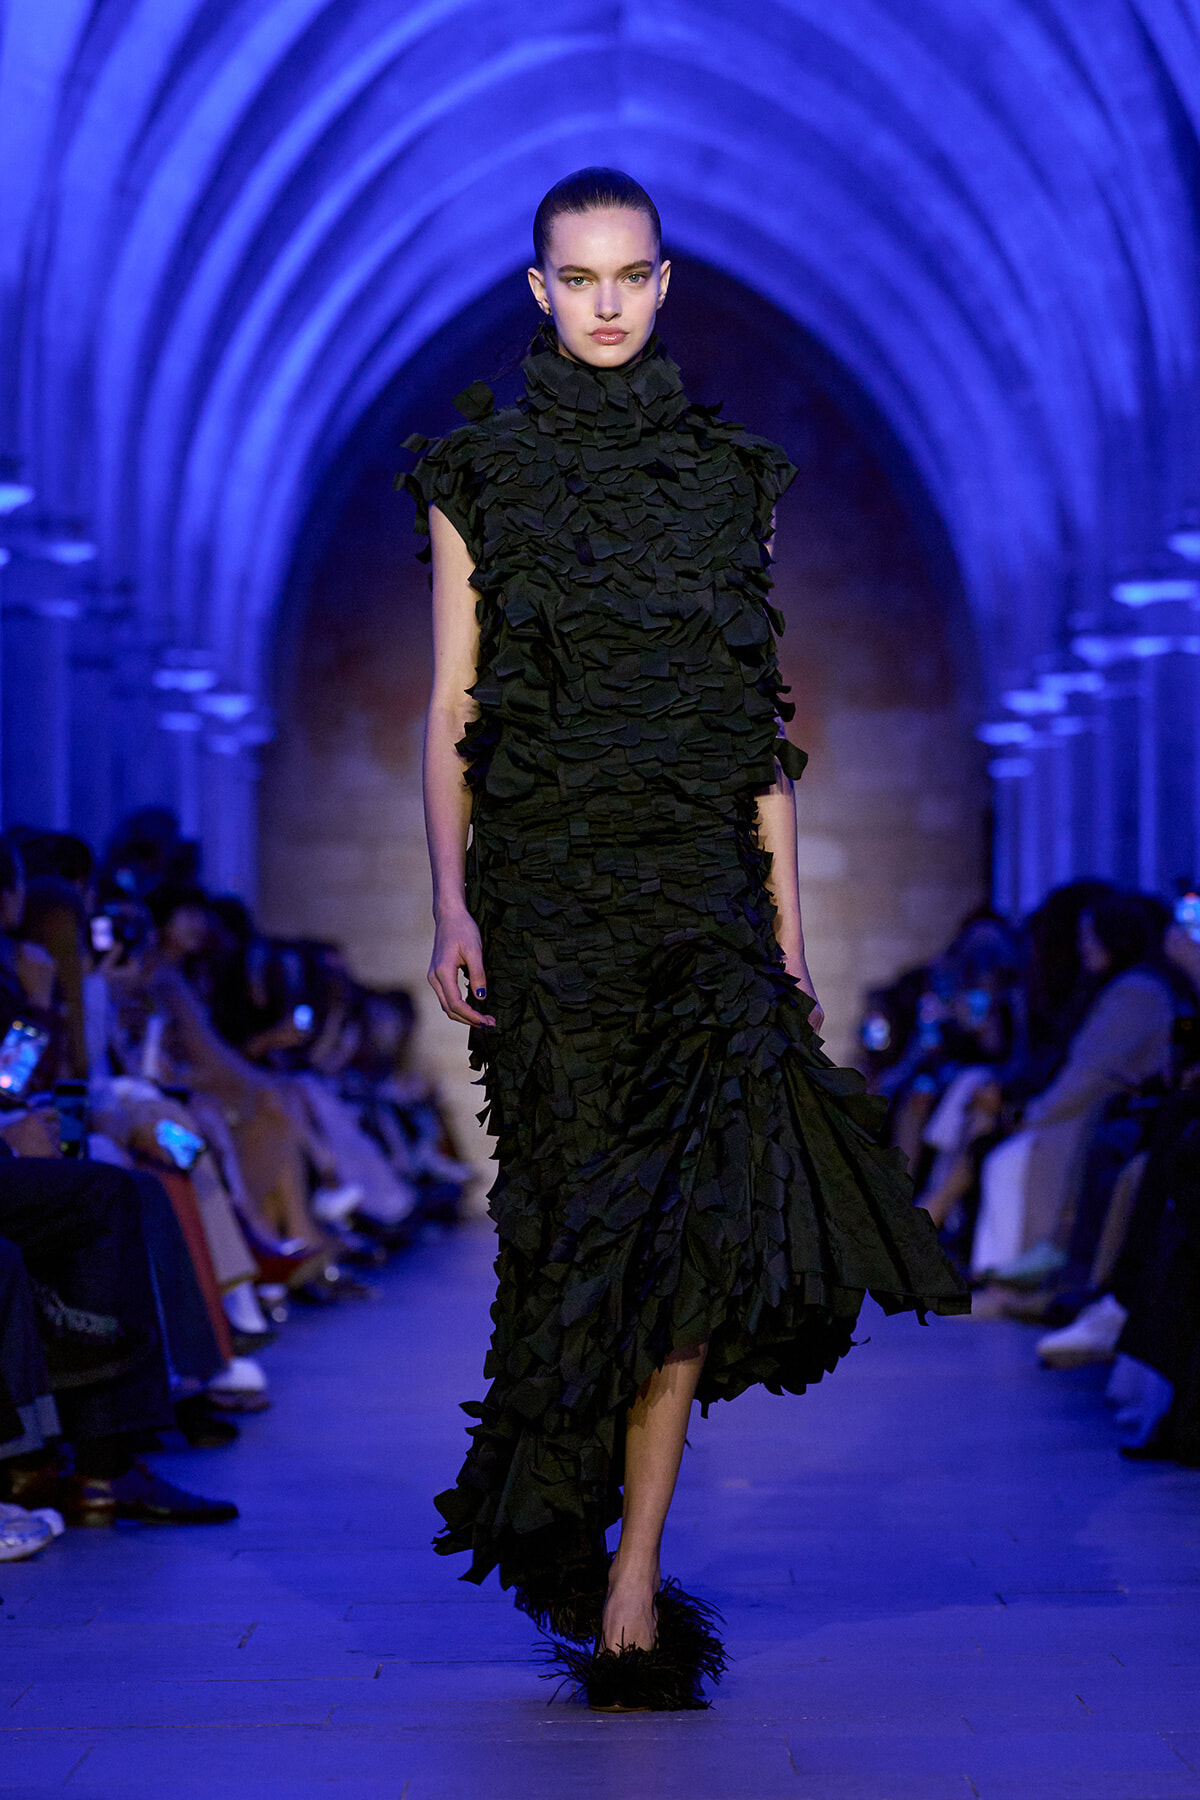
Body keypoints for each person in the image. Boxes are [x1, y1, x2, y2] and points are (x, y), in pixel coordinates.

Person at [406, 166, 969, 1713]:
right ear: (538, 288)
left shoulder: (735, 486)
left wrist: (786, 937)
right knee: (579, 1234)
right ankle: (572, 1526)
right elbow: (454, 709)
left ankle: (636, 1584)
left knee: (688, 1247)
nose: (603, 300)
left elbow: (751, 720)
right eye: (575, 276)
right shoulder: (478, 478)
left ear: (666, 283)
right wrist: (451, 901)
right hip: (549, 899)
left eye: (628, 274)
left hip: (700, 907)